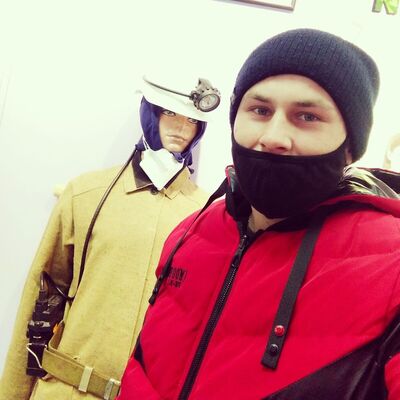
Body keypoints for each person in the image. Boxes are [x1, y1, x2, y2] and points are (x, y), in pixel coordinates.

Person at [117, 29, 400, 400]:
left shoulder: (391, 266)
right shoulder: (192, 233)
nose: (273, 137)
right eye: (260, 110)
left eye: (308, 116)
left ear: (351, 146)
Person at [0, 74, 220, 400]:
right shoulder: (85, 194)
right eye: (169, 113)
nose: (181, 127)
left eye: (191, 120)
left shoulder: (208, 218)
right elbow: (41, 298)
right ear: (150, 113)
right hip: (65, 390)